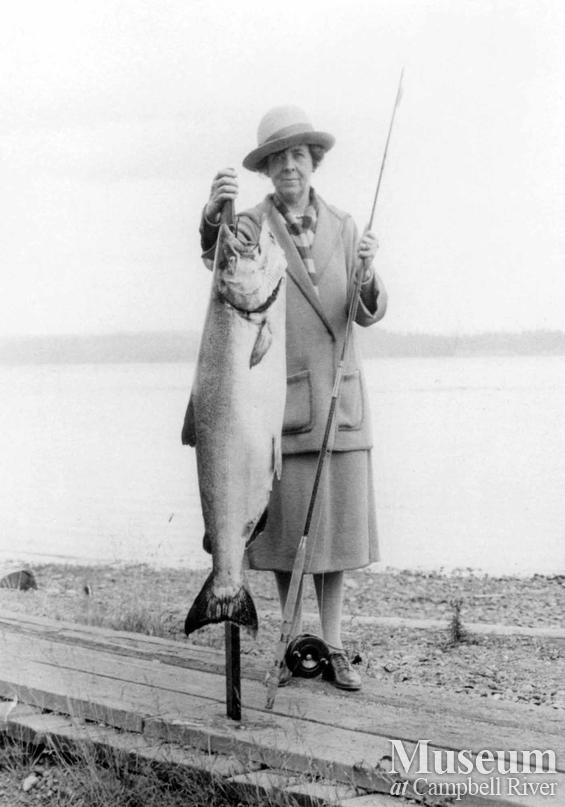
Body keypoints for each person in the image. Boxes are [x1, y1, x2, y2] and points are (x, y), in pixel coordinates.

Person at [198, 105, 387, 691]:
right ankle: (290, 641)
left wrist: (369, 277)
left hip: (342, 407)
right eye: (277, 159)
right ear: (266, 169)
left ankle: (332, 647)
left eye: (298, 156)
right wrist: (212, 216)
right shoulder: (252, 224)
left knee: (335, 541)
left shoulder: (346, 225)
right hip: (280, 411)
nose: (289, 168)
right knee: (283, 540)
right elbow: (219, 259)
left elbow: (364, 311)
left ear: (314, 162)